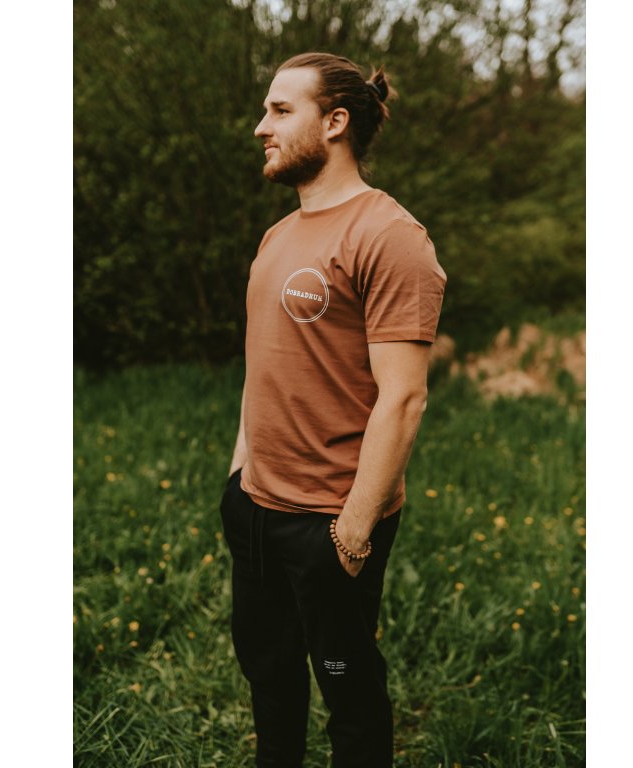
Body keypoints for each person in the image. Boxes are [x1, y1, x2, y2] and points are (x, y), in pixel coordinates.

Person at [219, 51, 447, 767]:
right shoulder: (277, 238)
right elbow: (265, 367)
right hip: (256, 510)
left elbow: (403, 396)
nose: (261, 127)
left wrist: (350, 535)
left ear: (336, 122)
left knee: (349, 694)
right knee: (269, 680)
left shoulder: (390, 236)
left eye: (280, 111)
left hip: (331, 524)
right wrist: (238, 479)